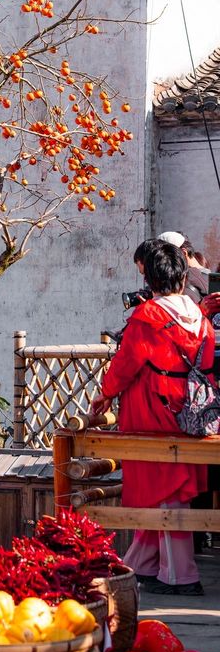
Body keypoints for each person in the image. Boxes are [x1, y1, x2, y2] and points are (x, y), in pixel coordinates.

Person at [91, 241, 216, 595]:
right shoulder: (199, 317)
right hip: (192, 410)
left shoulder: (148, 317)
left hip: (154, 409)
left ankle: (181, 575)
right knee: (170, 488)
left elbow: (125, 366)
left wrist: (105, 395)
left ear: (152, 276)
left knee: (165, 489)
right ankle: (140, 565)